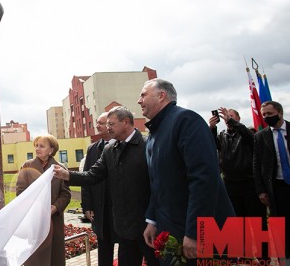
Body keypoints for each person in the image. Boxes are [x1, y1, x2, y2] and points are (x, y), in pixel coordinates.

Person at [138, 79, 234, 264]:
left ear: (161, 96)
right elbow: (157, 183)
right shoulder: (154, 134)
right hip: (171, 228)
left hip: (199, 233)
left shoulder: (186, 120)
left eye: (143, 95)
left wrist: (196, 232)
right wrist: (152, 220)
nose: (139, 100)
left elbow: (204, 179)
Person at [54, 106, 159, 266]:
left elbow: (158, 185)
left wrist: (153, 220)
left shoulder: (148, 144)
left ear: (126, 122)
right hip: (124, 229)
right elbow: (93, 175)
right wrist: (67, 175)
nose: (107, 128)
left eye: (111, 124)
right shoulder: (110, 150)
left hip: (148, 226)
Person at [16, 134, 71, 266]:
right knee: (35, 258)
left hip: (54, 220)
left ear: (51, 150)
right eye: (36, 145)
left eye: (41, 146)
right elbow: (20, 192)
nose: (37, 148)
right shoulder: (27, 165)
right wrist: (35, 208)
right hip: (34, 220)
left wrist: (55, 208)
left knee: (54, 258)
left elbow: (66, 194)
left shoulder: (60, 168)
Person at [208, 107, 266, 218]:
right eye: (225, 117)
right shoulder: (222, 135)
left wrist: (231, 121)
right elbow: (211, 144)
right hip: (231, 184)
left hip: (249, 183)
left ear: (238, 118)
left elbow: (247, 134)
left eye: (231, 116)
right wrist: (212, 128)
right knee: (236, 218)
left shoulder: (248, 132)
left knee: (255, 218)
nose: (226, 119)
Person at [253, 100, 290, 257]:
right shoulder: (261, 136)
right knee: (281, 227)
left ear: (280, 113)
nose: (266, 117)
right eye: (264, 114)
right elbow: (257, 164)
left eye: (270, 113)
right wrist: (261, 191)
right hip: (277, 188)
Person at [81, 112, 116, 266]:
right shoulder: (93, 149)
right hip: (100, 208)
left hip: (119, 207)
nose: (97, 126)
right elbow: (86, 177)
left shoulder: (122, 145)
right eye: (97, 122)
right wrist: (87, 206)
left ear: (110, 125)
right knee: (104, 247)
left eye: (101, 123)